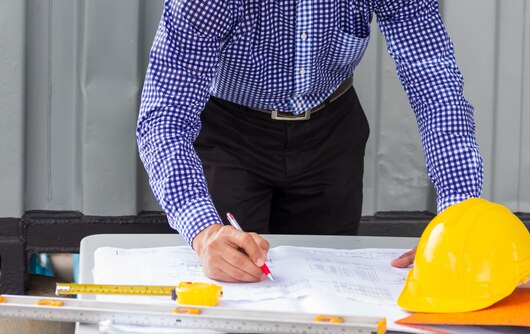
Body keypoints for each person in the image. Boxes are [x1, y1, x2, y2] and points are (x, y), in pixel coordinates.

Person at [137, 0, 483, 283]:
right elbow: (165, 114)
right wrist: (204, 232)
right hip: (231, 134)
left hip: (331, 132)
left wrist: (459, 216)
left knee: (332, 286)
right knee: (234, 277)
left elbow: (435, 82)